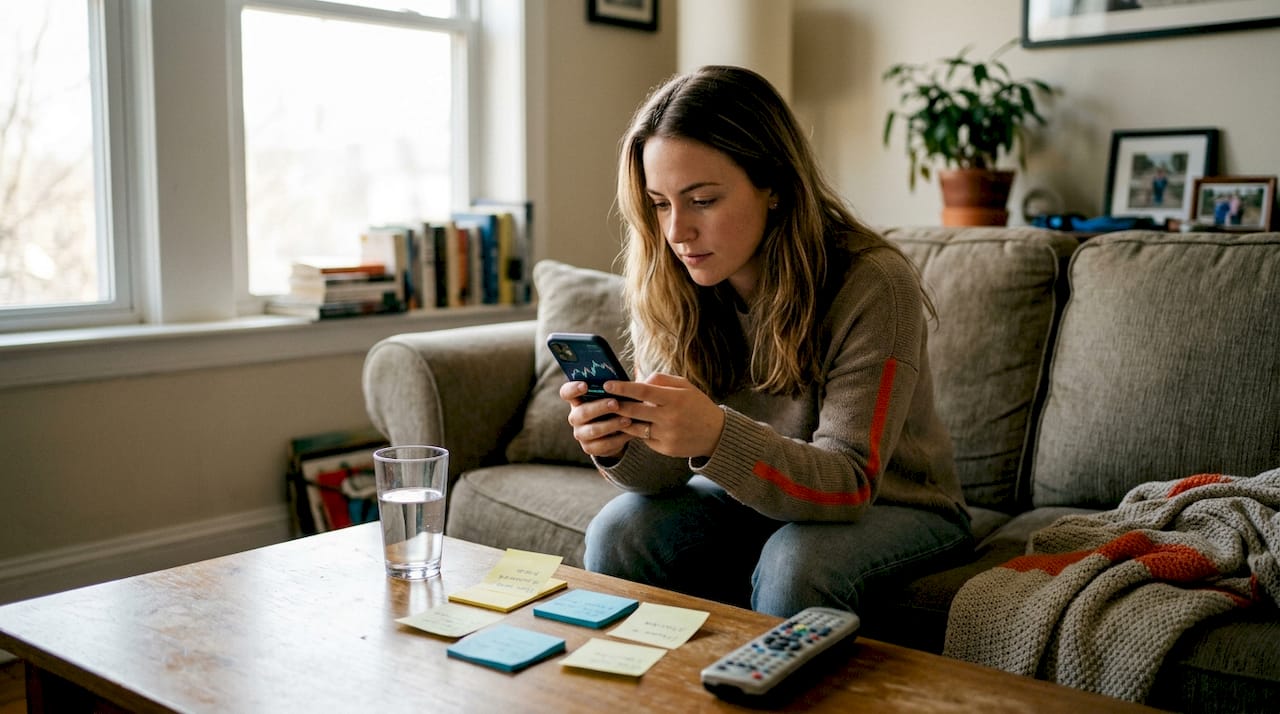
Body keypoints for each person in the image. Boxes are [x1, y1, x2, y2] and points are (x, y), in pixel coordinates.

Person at [558, 65, 972, 618]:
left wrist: (715, 436)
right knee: (619, 530)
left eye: (702, 199)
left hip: (899, 505)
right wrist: (616, 443)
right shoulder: (672, 280)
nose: (677, 231)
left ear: (773, 184)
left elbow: (848, 482)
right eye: (660, 203)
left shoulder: (873, 283)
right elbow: (662, 476)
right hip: (749, 499)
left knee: (797, 562)